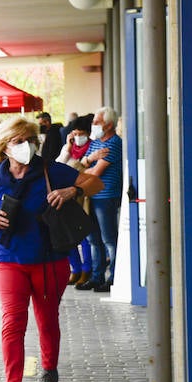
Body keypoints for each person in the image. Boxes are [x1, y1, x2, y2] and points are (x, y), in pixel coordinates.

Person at [0, 118, 104, 382]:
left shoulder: (51, 171)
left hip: (49, 260)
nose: (27, 145)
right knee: (12, 322)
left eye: (30, 139)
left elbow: (94, 182)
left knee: (47, 319)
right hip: (10, 259)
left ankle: (49, 369)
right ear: (4, 146)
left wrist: (72, 191)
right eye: (19, 140)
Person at [78, 107, 124, 293]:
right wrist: (90, 159)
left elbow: (94, 172)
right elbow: (81, 165)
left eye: (97, 122)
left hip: (106, 196)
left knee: (109, 239)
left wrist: (86, 165)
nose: (93, 125)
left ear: (109, 125)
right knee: (93, 239)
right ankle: (96, 277)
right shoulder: (96, 143)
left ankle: (112, 277)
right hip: (91, 196)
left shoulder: (113, 144)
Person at [56, 116, 96, 285]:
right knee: (68, 234)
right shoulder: (69, 149)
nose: (78, 136)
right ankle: (76, 268)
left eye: (81, 134)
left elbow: (90, 174)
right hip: (68, 198)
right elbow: (58, 164)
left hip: (85, 197)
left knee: (85, 236)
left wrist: (85, 161)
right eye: (75, 133)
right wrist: (68, 145)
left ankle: (87, 269)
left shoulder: (93, 148)